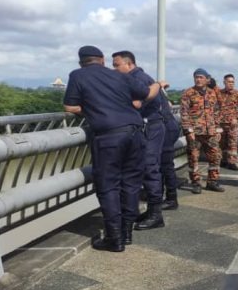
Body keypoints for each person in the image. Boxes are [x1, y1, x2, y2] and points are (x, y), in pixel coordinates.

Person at [63, 45, 167, 252]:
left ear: (81, 62)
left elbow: (70, 107)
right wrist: (157, 84)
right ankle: (127, 232)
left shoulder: (77, 75)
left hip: (109, 136)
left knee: (108, 186)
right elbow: (146, 94)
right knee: (131, 184)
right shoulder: (120, 75)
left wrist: (95, 109)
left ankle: (114, 238)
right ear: (102, 59)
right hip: (135, 133)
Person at [111, 51, 166, 231]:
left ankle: (156, 214)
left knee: (150, 168)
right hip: (148, 126)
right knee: (145, 168)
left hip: (150, 126)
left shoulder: (139, 79)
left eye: (117, 65)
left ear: (129, 64)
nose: (114, 68)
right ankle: (151, 210)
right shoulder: (137, 78)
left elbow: (138, 104)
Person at [180, 68, 224, 194]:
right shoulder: (188, 93)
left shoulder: (212, 93)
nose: (198, 79)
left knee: (215, 156)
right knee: (193, 158)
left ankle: (212, 181)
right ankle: (196, 183)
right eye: (196, 77)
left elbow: (216, 111)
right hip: (195, 132)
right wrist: (189, 131)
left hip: (211, 132)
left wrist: (218, 129)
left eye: (201, 77)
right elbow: (184, 113)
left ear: (207, 79)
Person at [218, 74, 238, 170]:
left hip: (233, 123)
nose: (231, 84)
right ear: (224, 82)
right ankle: (224, 160)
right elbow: (215, 107)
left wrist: (236, 117)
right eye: (229, 82)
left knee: (233, 143)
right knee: (222, 143)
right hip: (221, 123)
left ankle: (232, 162)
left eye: (232, 82)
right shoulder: (219, 93)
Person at [159, 97, 181, 211]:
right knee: (162, 165)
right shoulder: (154, 86)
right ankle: (163, 196)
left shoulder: (144, 84)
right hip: (168, 125)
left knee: (165, 166)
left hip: (165, 127)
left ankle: (171, 199)